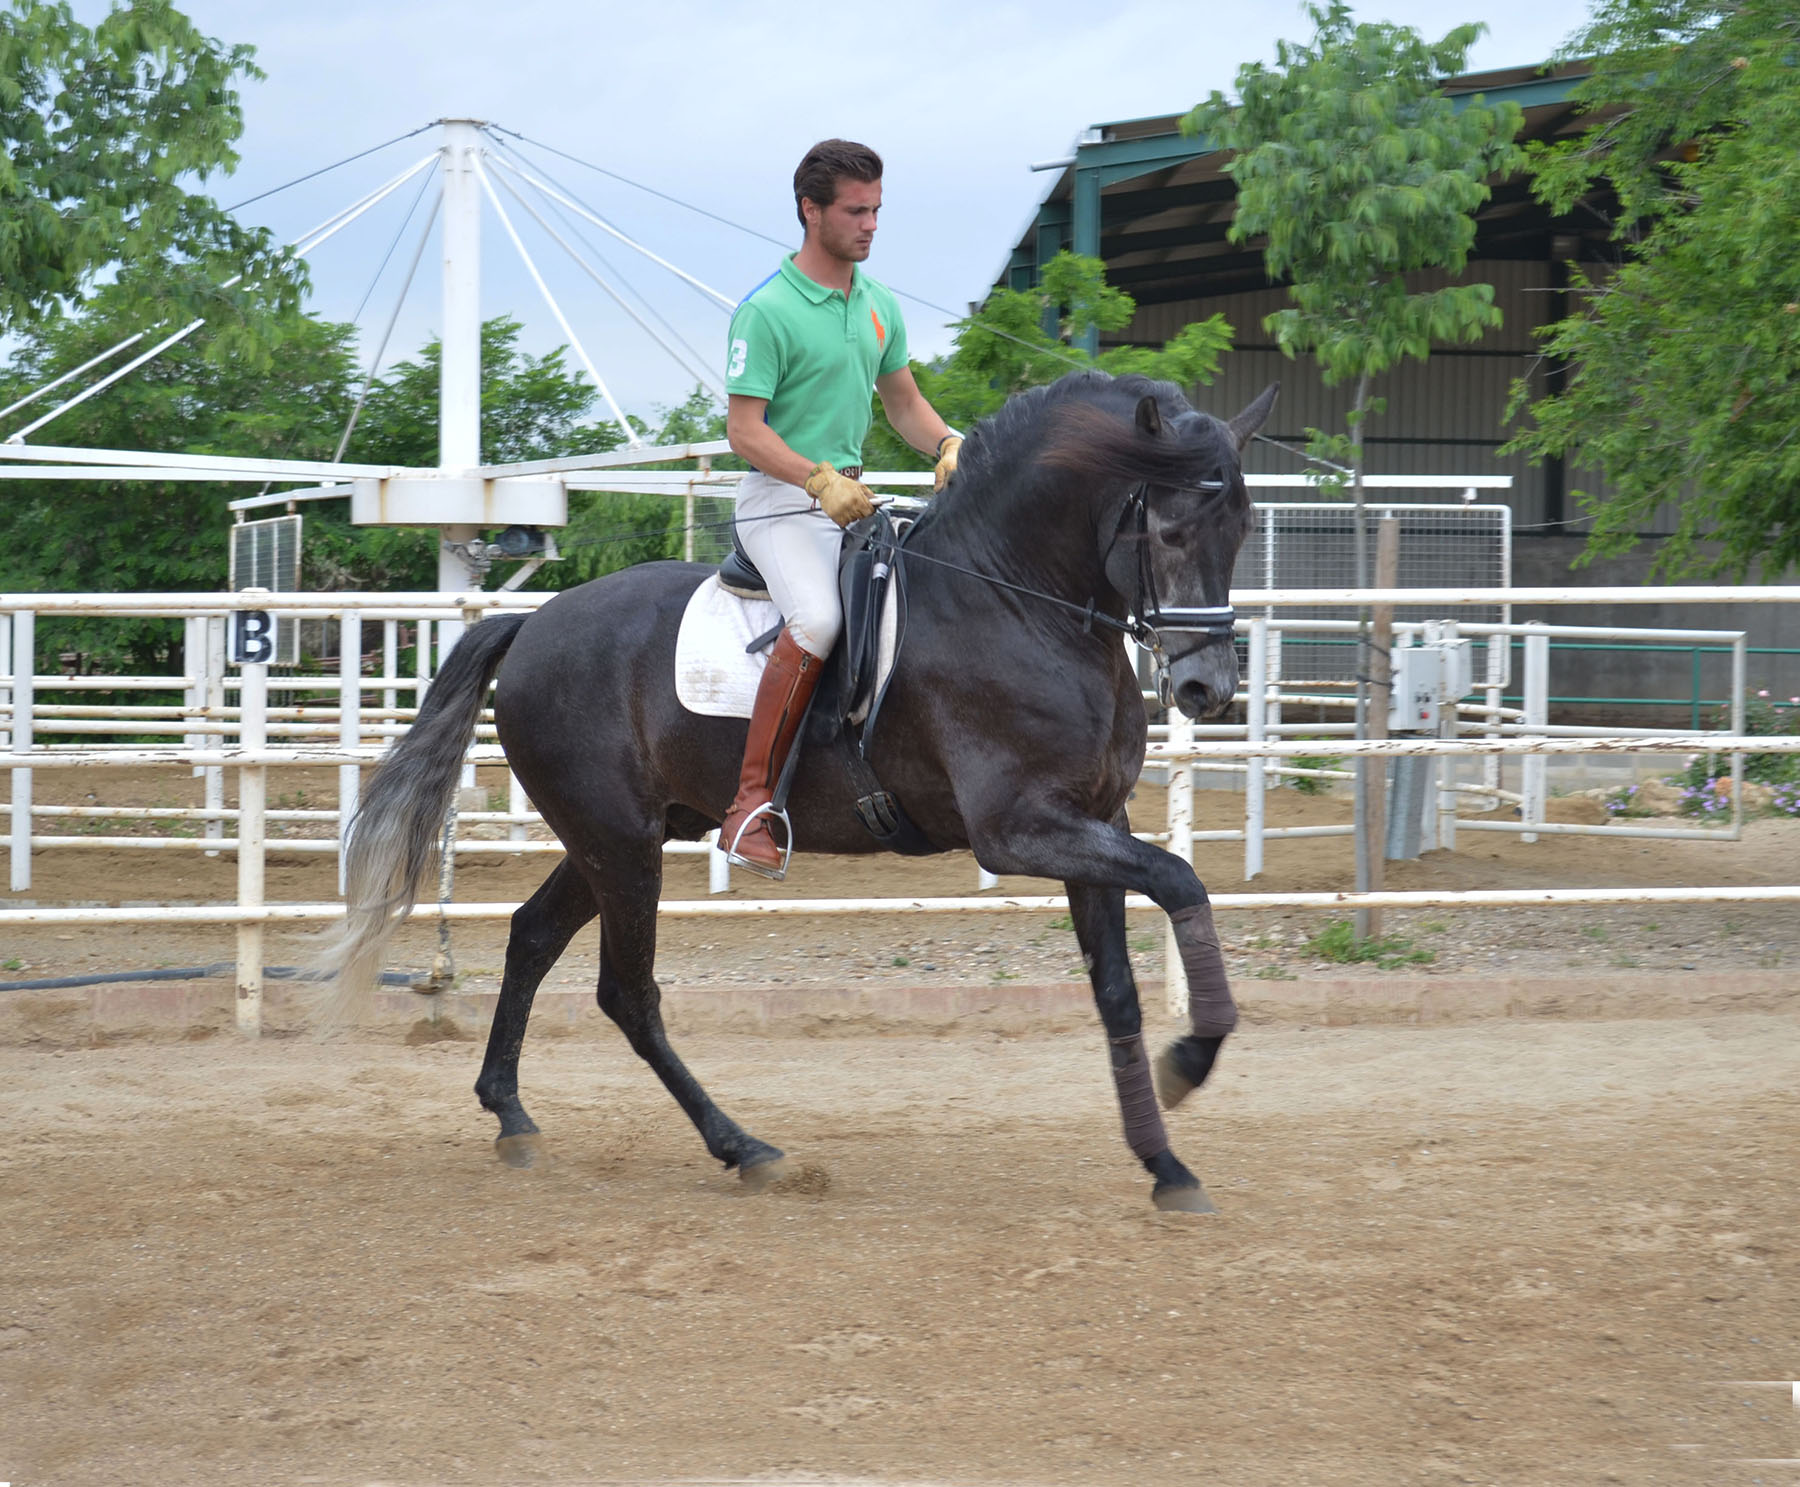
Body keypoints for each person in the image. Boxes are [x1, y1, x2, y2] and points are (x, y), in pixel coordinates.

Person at [719, 138, 962, 878]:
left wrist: (948, 442)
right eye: (856, 212)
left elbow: (905, 405)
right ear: (810, 210)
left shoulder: (879, 304)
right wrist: (817, 480)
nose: (870, 225)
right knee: (819, 619)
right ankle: (749, 805)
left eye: (877, 211)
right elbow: (744, 430)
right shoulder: (766, 311)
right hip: (780, 498)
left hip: (852, 496)